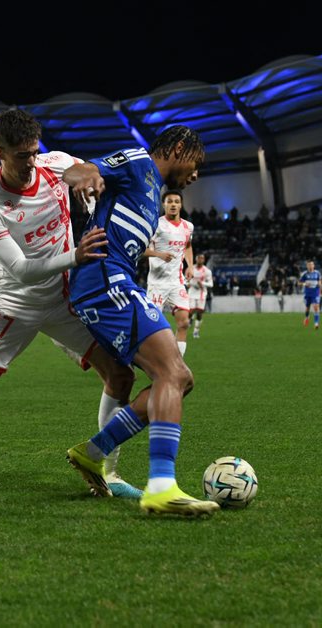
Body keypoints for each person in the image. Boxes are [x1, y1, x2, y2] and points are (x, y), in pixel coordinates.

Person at [0, 109, 143, 499]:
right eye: (22, 155)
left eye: (34, 152)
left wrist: (90, 183)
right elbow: (20, 269)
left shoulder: (55, 164)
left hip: (66, 300)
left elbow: (88, 172)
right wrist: (76, 255)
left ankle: (109, 472)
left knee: (121, 376)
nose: (31, 162)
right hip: (16, 303)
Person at [63, 125, 220, 516]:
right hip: (104, 283)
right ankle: (162, 487)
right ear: (179, 148)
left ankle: (92, 452)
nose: (196, 174)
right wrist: (87, 175)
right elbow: (78, 171)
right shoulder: (138, 161)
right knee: (173, 373)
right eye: (196, 164)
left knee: (180, 380)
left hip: (110, 285)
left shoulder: (153, 198)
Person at [143, 189, 193, 356]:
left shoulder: (188, 227)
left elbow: (188, 245)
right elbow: (140, 250)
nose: (173, 205)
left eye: (176, 202)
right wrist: (159, 254)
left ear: (181, 205)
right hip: (157, 284)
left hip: (177, 282)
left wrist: (190, 266)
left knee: (184, 323)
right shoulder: (155, 225)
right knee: (152, 328)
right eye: (169, 201)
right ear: (163, 204)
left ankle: (178, 363)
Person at [188, 254, 213, 339]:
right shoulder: (190, 268)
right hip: (191, 292)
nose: (200, 260)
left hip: (201, 293)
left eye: (202, 258)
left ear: (204, 260)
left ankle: (196, 331)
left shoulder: (207, 271)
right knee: (191, 311)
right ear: (196, 259)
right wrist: (188, 283)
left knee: (199, 312)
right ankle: (190, 319)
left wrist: (202, 283)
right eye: (199, 258)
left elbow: (211, 284)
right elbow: (185, 279)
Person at [298, 260, 322, 330]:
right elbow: (299, 283)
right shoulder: (304, 274)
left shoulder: (317, 273)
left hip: (315, 293)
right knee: (307, 308)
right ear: (307, 266)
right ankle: (307, 317)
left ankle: (316, 323)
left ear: (314, 265)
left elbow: (320, 282)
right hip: (308, 293)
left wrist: (319, 284)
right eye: (309, 265)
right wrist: (304, 284)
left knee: (316, 307)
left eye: (311, 264)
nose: (310, 266)